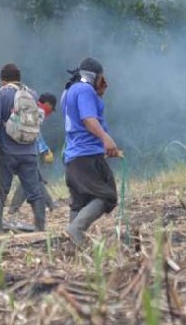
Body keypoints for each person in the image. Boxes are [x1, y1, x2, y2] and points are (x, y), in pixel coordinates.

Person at [62, 57, 122, 246]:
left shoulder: (69, 91)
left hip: (73, 156)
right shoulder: (85, 90)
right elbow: (88, 119)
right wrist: (106, 138)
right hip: (87, 154)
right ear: (94, 76)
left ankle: (73, 246)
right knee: (107, 195)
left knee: (79, 201)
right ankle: (76, 230)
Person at [0, 63, 46, 233]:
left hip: (7, 152)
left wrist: (4, 131)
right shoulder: (33, 94)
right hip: (29, 151)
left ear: (2, 79)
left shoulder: (2, 93)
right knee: (34, 191)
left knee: (0, 190)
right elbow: (38, 119)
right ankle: (40, 228)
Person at [9, 93, 58, 214]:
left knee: (34, 178)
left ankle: (50, 204)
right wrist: (44, 150)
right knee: (30, 178)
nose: (50, 112)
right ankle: (14, 208)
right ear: (48, 104)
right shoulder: (39, 111)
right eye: (51, 109)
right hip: (26, 149)